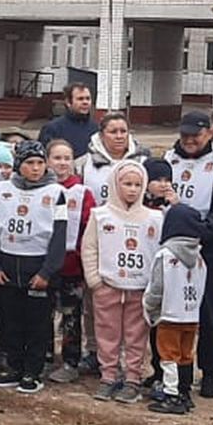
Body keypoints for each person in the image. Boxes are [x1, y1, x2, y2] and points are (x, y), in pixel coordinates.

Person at [163, 110, 213, 397]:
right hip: (170, 246)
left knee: (208, 311)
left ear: (209, 133)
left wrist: (202, 233)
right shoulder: (168, 158)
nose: (189, 141)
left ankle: (210, 371)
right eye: (184, 135)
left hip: (205, 247)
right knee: (166, 310)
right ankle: (166, 369)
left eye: (195, 136)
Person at [0, 140, 68, 394]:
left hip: (37, 265)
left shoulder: (55, 193)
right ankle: (14, 367)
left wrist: (47, 271)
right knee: (10, 320)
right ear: (18, 165)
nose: (35, 168)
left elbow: (59, 236)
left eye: (40, 163)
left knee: (37, 322)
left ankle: (32, 371)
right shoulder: (3, 190)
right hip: (8, 263)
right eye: (29, 163)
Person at [82, 159, 158, 403]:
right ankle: (108, 375)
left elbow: (159, 253)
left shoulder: (155, 218)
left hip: (139, 288)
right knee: (107, 333)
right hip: (108, 286)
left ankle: (133, 377)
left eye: (137, 184)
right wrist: (95, 281)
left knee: (136, 335)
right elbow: (89, 248)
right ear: (116, 184)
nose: (132, 189)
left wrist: (153, 286)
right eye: (127, 183)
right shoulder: (100, 215)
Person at [142, 203, 207, 415]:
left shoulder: (166, 255)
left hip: (169, 315)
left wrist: (150, 306)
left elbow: (158, 287)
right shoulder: (199, 257)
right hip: (191, 314)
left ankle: (171, 394)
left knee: (168, 355)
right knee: (186, 354)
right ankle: (185, 392)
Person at [45, 138, 92, 381]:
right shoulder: (40, 188)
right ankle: (43, 356)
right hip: (43, 265)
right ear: (47, 161)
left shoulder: (82, 191)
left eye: (66, 158)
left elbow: (87, 229)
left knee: (71, 315)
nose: (62, 163)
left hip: (71, 266)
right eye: (56, 158)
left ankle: (70, 361)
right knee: (44, 313)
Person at [38, 83, 98, 155]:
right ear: (68, 102)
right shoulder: (52, 129)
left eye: (88, 98)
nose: (85, 102)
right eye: (80, 99)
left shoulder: (96, 128)